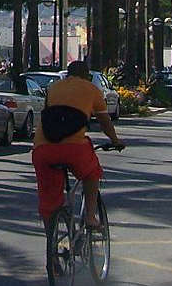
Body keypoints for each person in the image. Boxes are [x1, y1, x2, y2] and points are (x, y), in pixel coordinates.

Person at [31, 60, 124, 230]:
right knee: (92, 173)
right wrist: (115, 140)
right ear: (87, 76)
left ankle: (52, 240)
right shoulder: (92, 89)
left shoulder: (54, 88)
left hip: (43, 148)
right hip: (74, 148)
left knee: (48, 197)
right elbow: (105, 121)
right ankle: (90, 217)